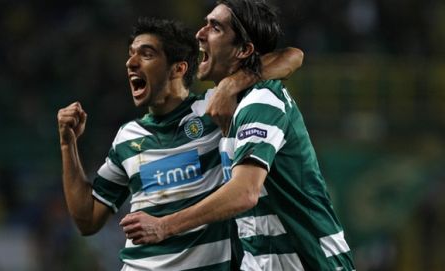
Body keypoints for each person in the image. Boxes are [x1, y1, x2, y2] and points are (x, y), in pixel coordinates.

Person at [120, 1, 356, 270]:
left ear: (243, 49)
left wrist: (164, 226)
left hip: (311, 262)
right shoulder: (224, 106)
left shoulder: (262, 101)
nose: (200, 33)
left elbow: (245, 193)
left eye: (215, 27)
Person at [57, 17, 302, 270]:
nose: (131, 63)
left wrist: (231, 84)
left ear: (178, 69)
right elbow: (88, 220)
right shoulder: (127, 137)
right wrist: (68, 145)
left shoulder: (215, 109)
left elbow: (292, 56)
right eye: (131, 55)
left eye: (147, 54)